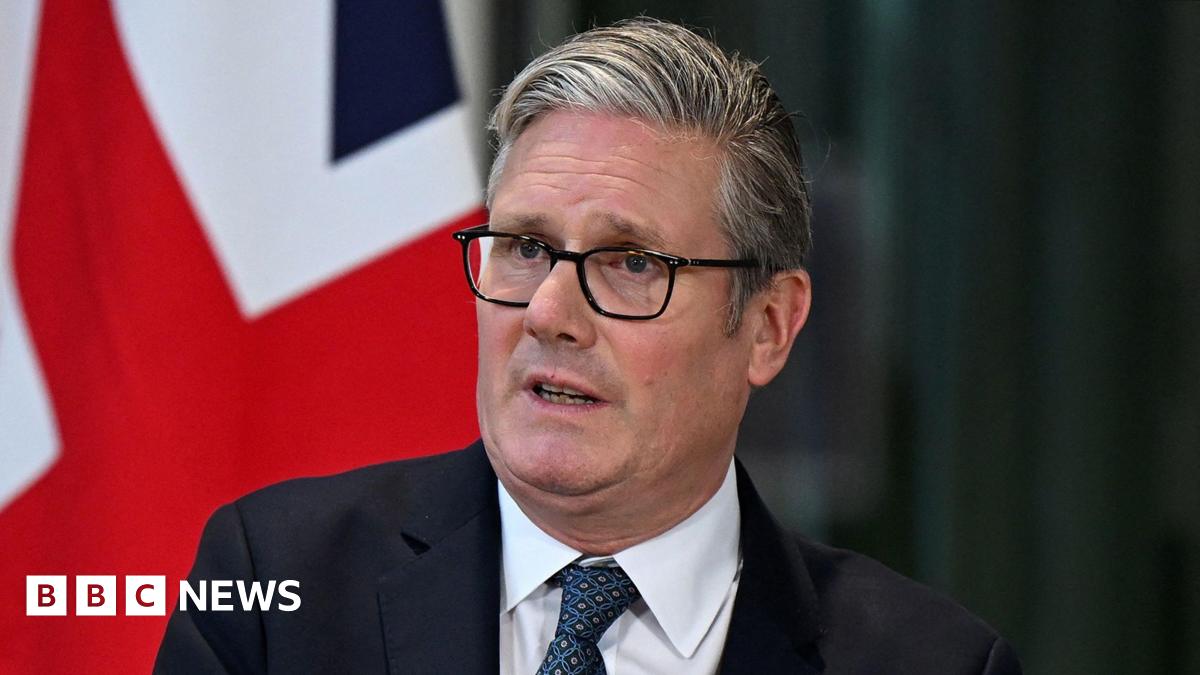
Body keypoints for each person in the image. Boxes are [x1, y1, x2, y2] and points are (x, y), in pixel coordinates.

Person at [156, 18, 1021, 674]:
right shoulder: (276, 589)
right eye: (527, 246)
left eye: (632, 262)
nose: (549, 312)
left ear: (768, 325)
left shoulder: (932, 661)